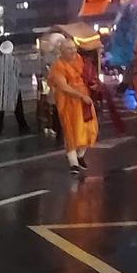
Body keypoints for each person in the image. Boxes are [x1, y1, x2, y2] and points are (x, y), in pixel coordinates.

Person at [50, 40, 99, 176]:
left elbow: (87, 75)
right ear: (61, 51)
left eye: (73, 48)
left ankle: (80, 155)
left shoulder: (79, 59)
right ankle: (73, 163)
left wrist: (93, 83)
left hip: (84, 99)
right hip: (68, 101)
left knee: (89, 128)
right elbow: (64, 87)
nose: (72, 51)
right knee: (71, 130)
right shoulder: (58, 66)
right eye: (68, 49)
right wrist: (81, 96)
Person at [0, 40, 29, 133]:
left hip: (0, 87)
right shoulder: (15, 60)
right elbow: (18, 72)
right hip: (13, 87)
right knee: (17, 107)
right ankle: (23, 126)